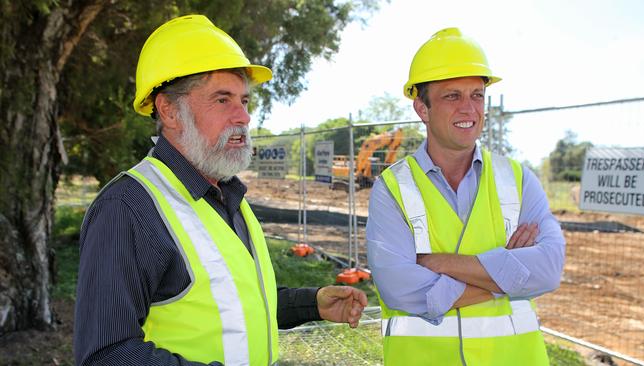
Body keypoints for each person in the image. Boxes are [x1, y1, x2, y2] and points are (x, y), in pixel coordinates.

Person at [74, 14, 367, 366]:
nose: (242, 117)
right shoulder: (128, 207)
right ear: (169, 110)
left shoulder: (229, 196)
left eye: (244, 101)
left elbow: (232, 305)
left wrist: (312, 302)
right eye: (222, 100)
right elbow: (105, 354)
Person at [367, 28, 565, 365]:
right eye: (452, 96)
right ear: (422, 108)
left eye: (477, 95)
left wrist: (441, 263)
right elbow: (398, 286)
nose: (469, 109)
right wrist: (508, 277)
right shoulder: (391, 188)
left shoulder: (518, 179)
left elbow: (548, 270)